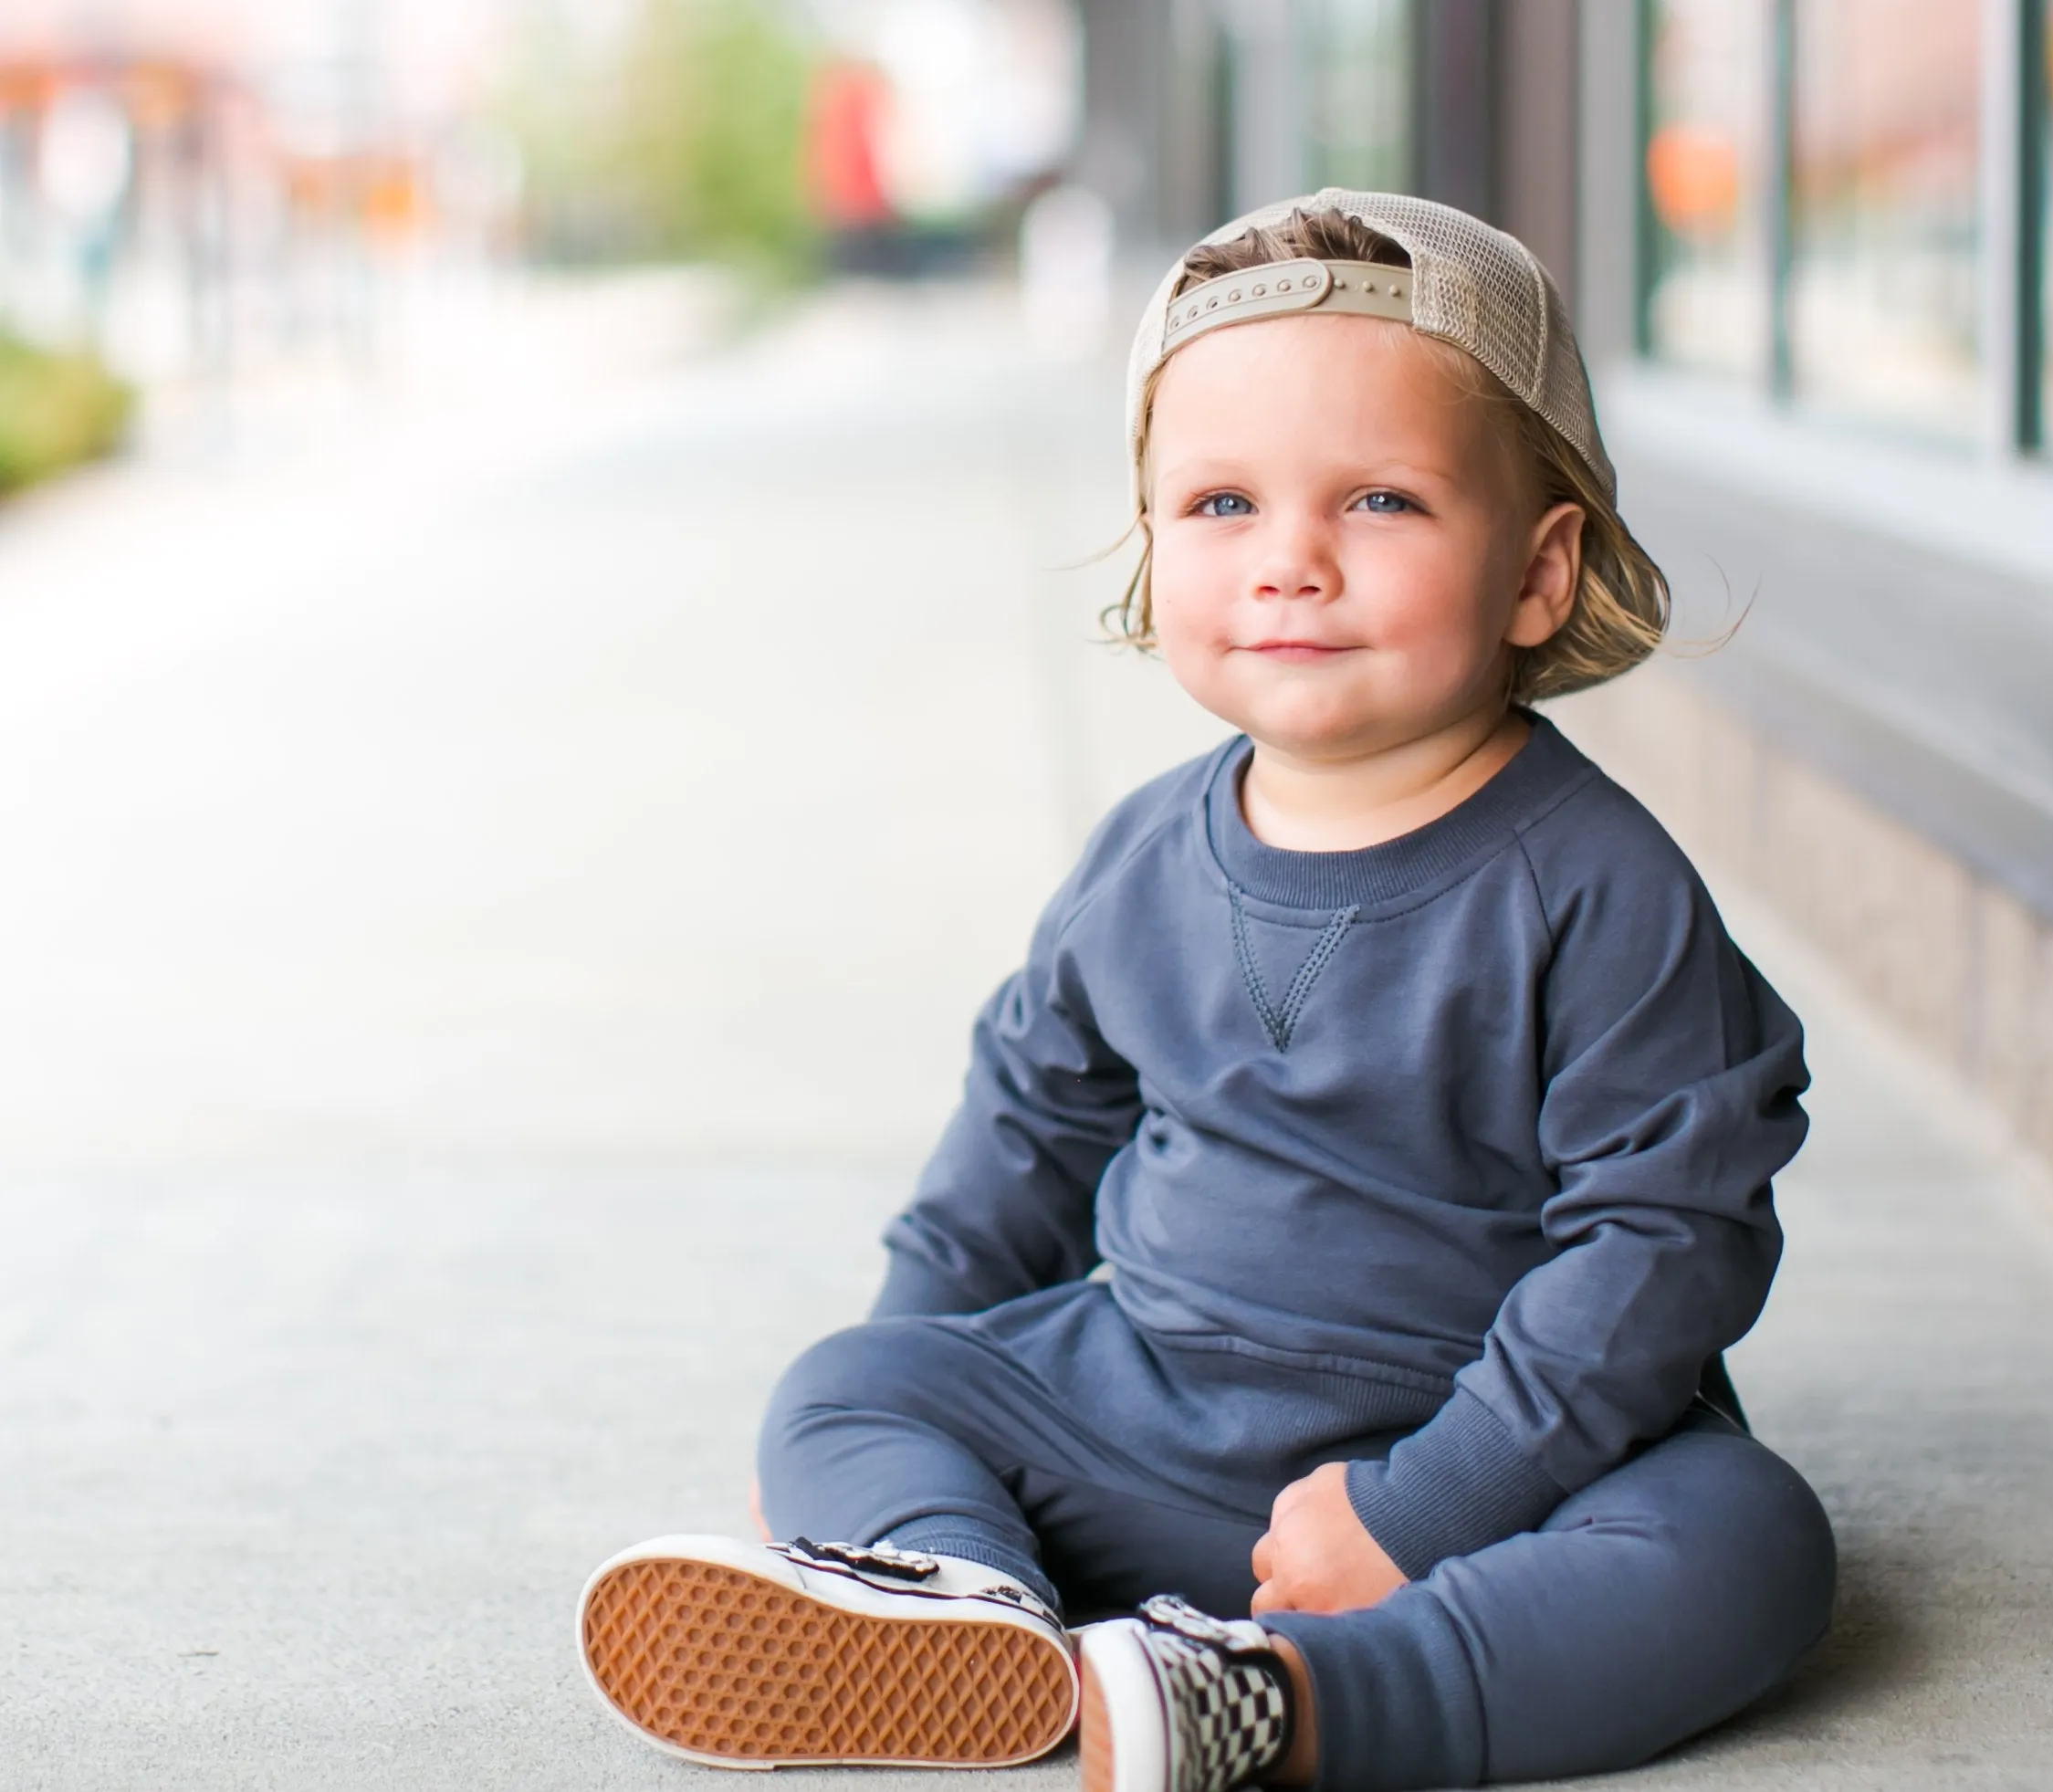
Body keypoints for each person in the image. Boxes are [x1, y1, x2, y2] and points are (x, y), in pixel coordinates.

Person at [573, 189, 1836, 1791]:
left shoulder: (1595, 886)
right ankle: (958, 1606)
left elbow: (1671, 1233)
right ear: (1154, 544)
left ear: (1538, 569)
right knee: (851, 1380)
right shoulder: (1143, 859)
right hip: (1149, 1416)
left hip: (1482, 1454)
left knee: (1746, 1542)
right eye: (1224, 503)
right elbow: (1022, 1139)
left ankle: (1299, 1701)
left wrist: (1430, 1505)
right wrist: (904, 1409)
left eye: (1379, 501)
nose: (1292, 563)